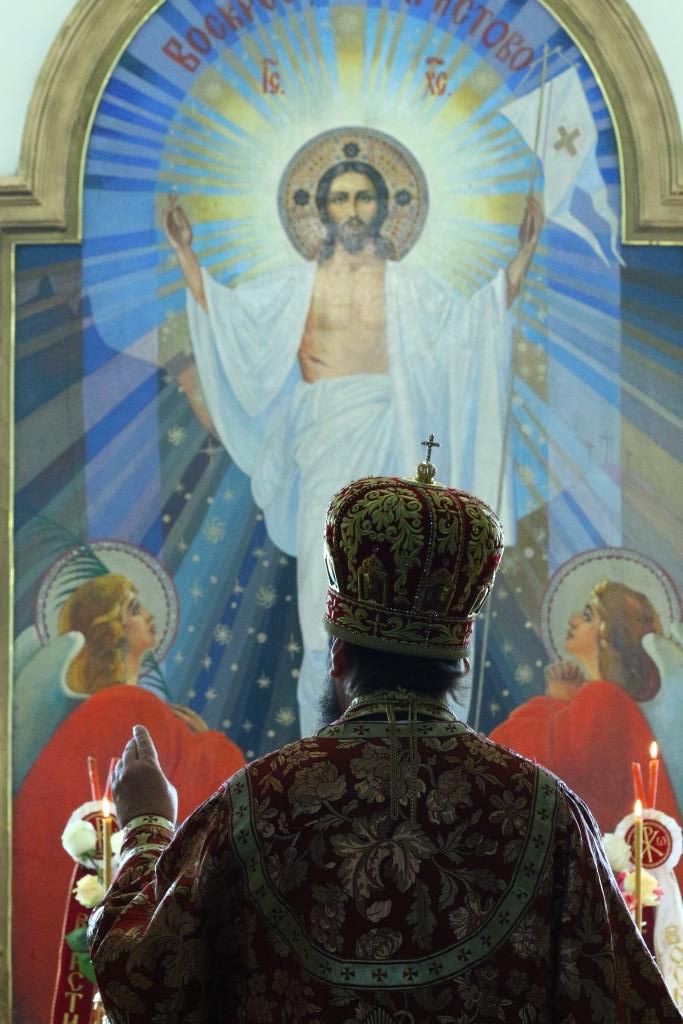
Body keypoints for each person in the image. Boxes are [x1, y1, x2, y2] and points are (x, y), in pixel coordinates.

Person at [89, 451, 679, 1022]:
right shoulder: (547, 813)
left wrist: (147, 827)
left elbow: (146, 986)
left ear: (337, 656)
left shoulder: (257, 801)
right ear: (459, 664)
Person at [165, 127, 544, 734]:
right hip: (325, 443)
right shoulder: (295, 287)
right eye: (339, 198)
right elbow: (235, 321)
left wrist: (523, 254)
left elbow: (472, 326)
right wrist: (186, 254)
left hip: (397, 441)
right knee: (324, 601)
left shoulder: (412, 287)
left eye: (363, 197)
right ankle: (326, 749)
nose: (351, 209)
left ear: (384, 208)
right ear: (320, 210)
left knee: (408, 595)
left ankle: (418, 746)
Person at [13, 573, 245, 1024]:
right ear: (112, 629)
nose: (148, 616)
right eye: (134, 609)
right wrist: (211, 743)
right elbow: (214, 797)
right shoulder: (131, 708)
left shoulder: (106, 707)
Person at [489, 578, 683, 886]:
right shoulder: (596, 698)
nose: (574, 619)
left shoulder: (602, 698)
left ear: (610, 632)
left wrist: (553, 700)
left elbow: (520, 759)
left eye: (588, 615)